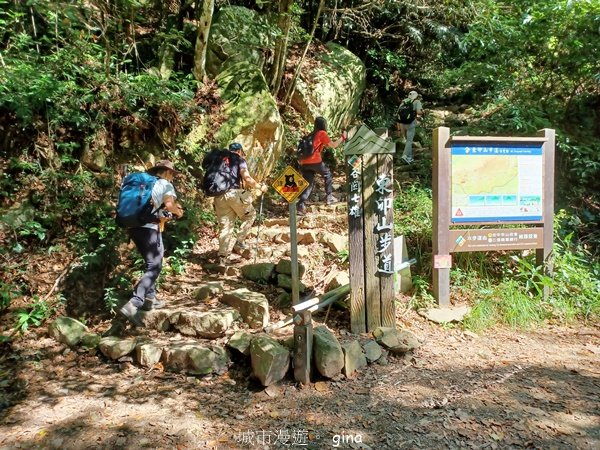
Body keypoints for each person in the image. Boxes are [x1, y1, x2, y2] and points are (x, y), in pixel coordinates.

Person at [119, 160, 184, 327]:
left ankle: (150, 298)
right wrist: (178, 212)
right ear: (168, 173)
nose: (172, 178)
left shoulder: (145, 185)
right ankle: (135, 302)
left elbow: (158, 211)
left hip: (134, 227)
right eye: (172, 175)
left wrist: (166, 214)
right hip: (149, 229)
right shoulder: (165, 184)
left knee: (152, 262)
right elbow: (169, 205)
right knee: (155, 266)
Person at [214, 142, 268, 265]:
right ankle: (239, 241)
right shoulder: (239, 159)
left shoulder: (219, 160)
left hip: (219, 196)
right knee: (250, 215)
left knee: (225, 226)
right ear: (239, 151)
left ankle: (222, 258)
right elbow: (246, 178)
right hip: (233, 194)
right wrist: (260, 187)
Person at [296, 116, 347, 215]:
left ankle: (300, 206)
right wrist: (343, 137)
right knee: (327, 174)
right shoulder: (322, 134)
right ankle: (329, 197)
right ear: (323, 125)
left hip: (304, 162)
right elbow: (333, 145)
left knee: (308, 184)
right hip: (315, 161)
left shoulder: (311, 135)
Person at [396, 90, 423, 165]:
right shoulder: (417, 102)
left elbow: (398, 116)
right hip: (410, 123)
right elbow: (418, 112)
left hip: (402, 124)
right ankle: (404, 155)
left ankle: (409, 157)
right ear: (416, 96)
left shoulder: (403, 103)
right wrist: (423, 112)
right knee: (409, 141)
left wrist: (398, 130)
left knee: (407, 140)